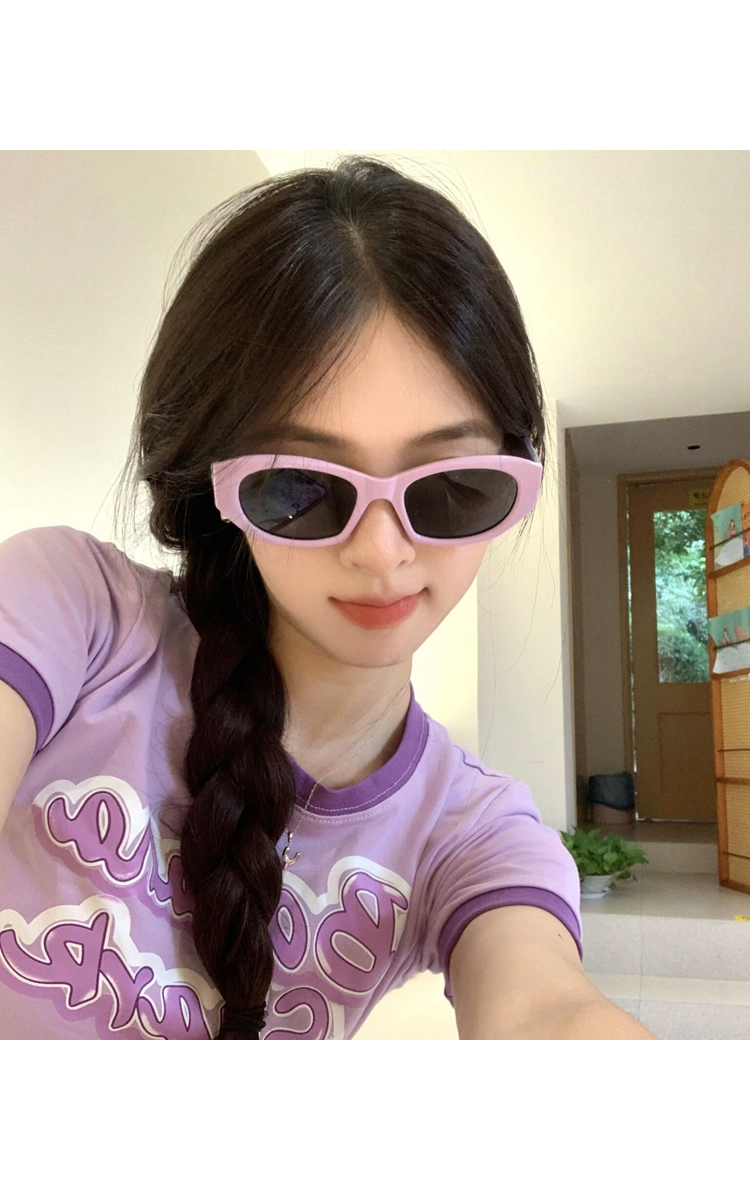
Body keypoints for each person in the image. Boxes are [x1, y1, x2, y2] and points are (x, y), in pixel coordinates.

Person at [0, 157, 654, 1040]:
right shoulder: (68, 617)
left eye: (450, 487)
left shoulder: (474, 832)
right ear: (219, 488)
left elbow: (545, 1007)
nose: (382, 553)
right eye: (299, 487)